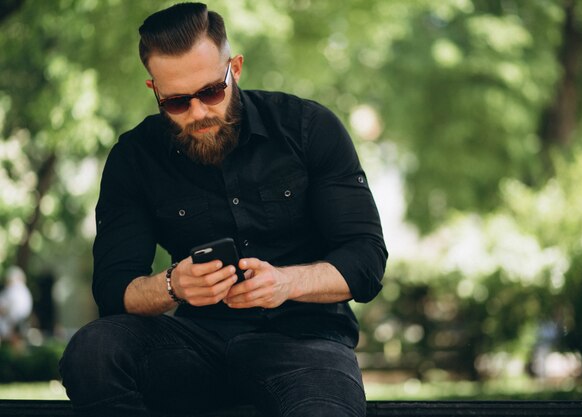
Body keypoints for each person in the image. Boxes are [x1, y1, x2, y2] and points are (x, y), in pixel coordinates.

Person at [60, 3, 387, 417]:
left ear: (235, 67)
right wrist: (172, 286)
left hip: (306, 344)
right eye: (176, 102)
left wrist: (286, 283)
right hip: (193, 342)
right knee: (92, 351)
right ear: (154, 90)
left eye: (211, 92)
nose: (198, 113)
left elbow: (366, 260)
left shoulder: (308, 127)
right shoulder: (134, 157)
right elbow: (113, 290)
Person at [0, 266, 33, 345]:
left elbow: (3, 308)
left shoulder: (14, 289)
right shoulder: (24, 291)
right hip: (17, 324)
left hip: (10, 324)